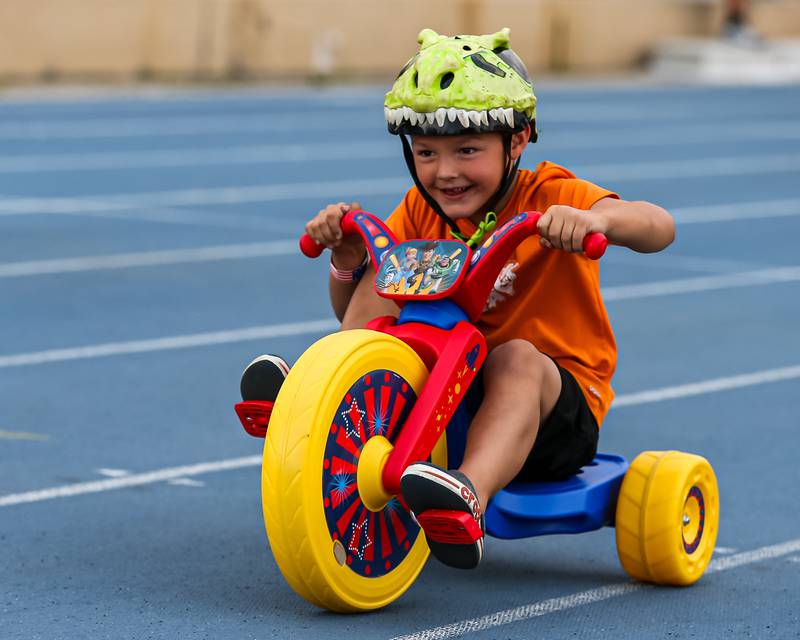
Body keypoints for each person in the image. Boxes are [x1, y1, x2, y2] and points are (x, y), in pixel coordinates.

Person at [249, 28, 675, 570]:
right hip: (447, 397)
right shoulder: (420, 209)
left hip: (550, 413)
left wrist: (598, 219)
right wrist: (348, 258)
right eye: (427, 153)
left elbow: (659, 226)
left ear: (517, 141)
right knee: (384, 289)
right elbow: (355, 314)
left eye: (467, 150)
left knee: (514, 356)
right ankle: (324, 398)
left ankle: (466, 496)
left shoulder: (550, 195)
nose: (445, 172)